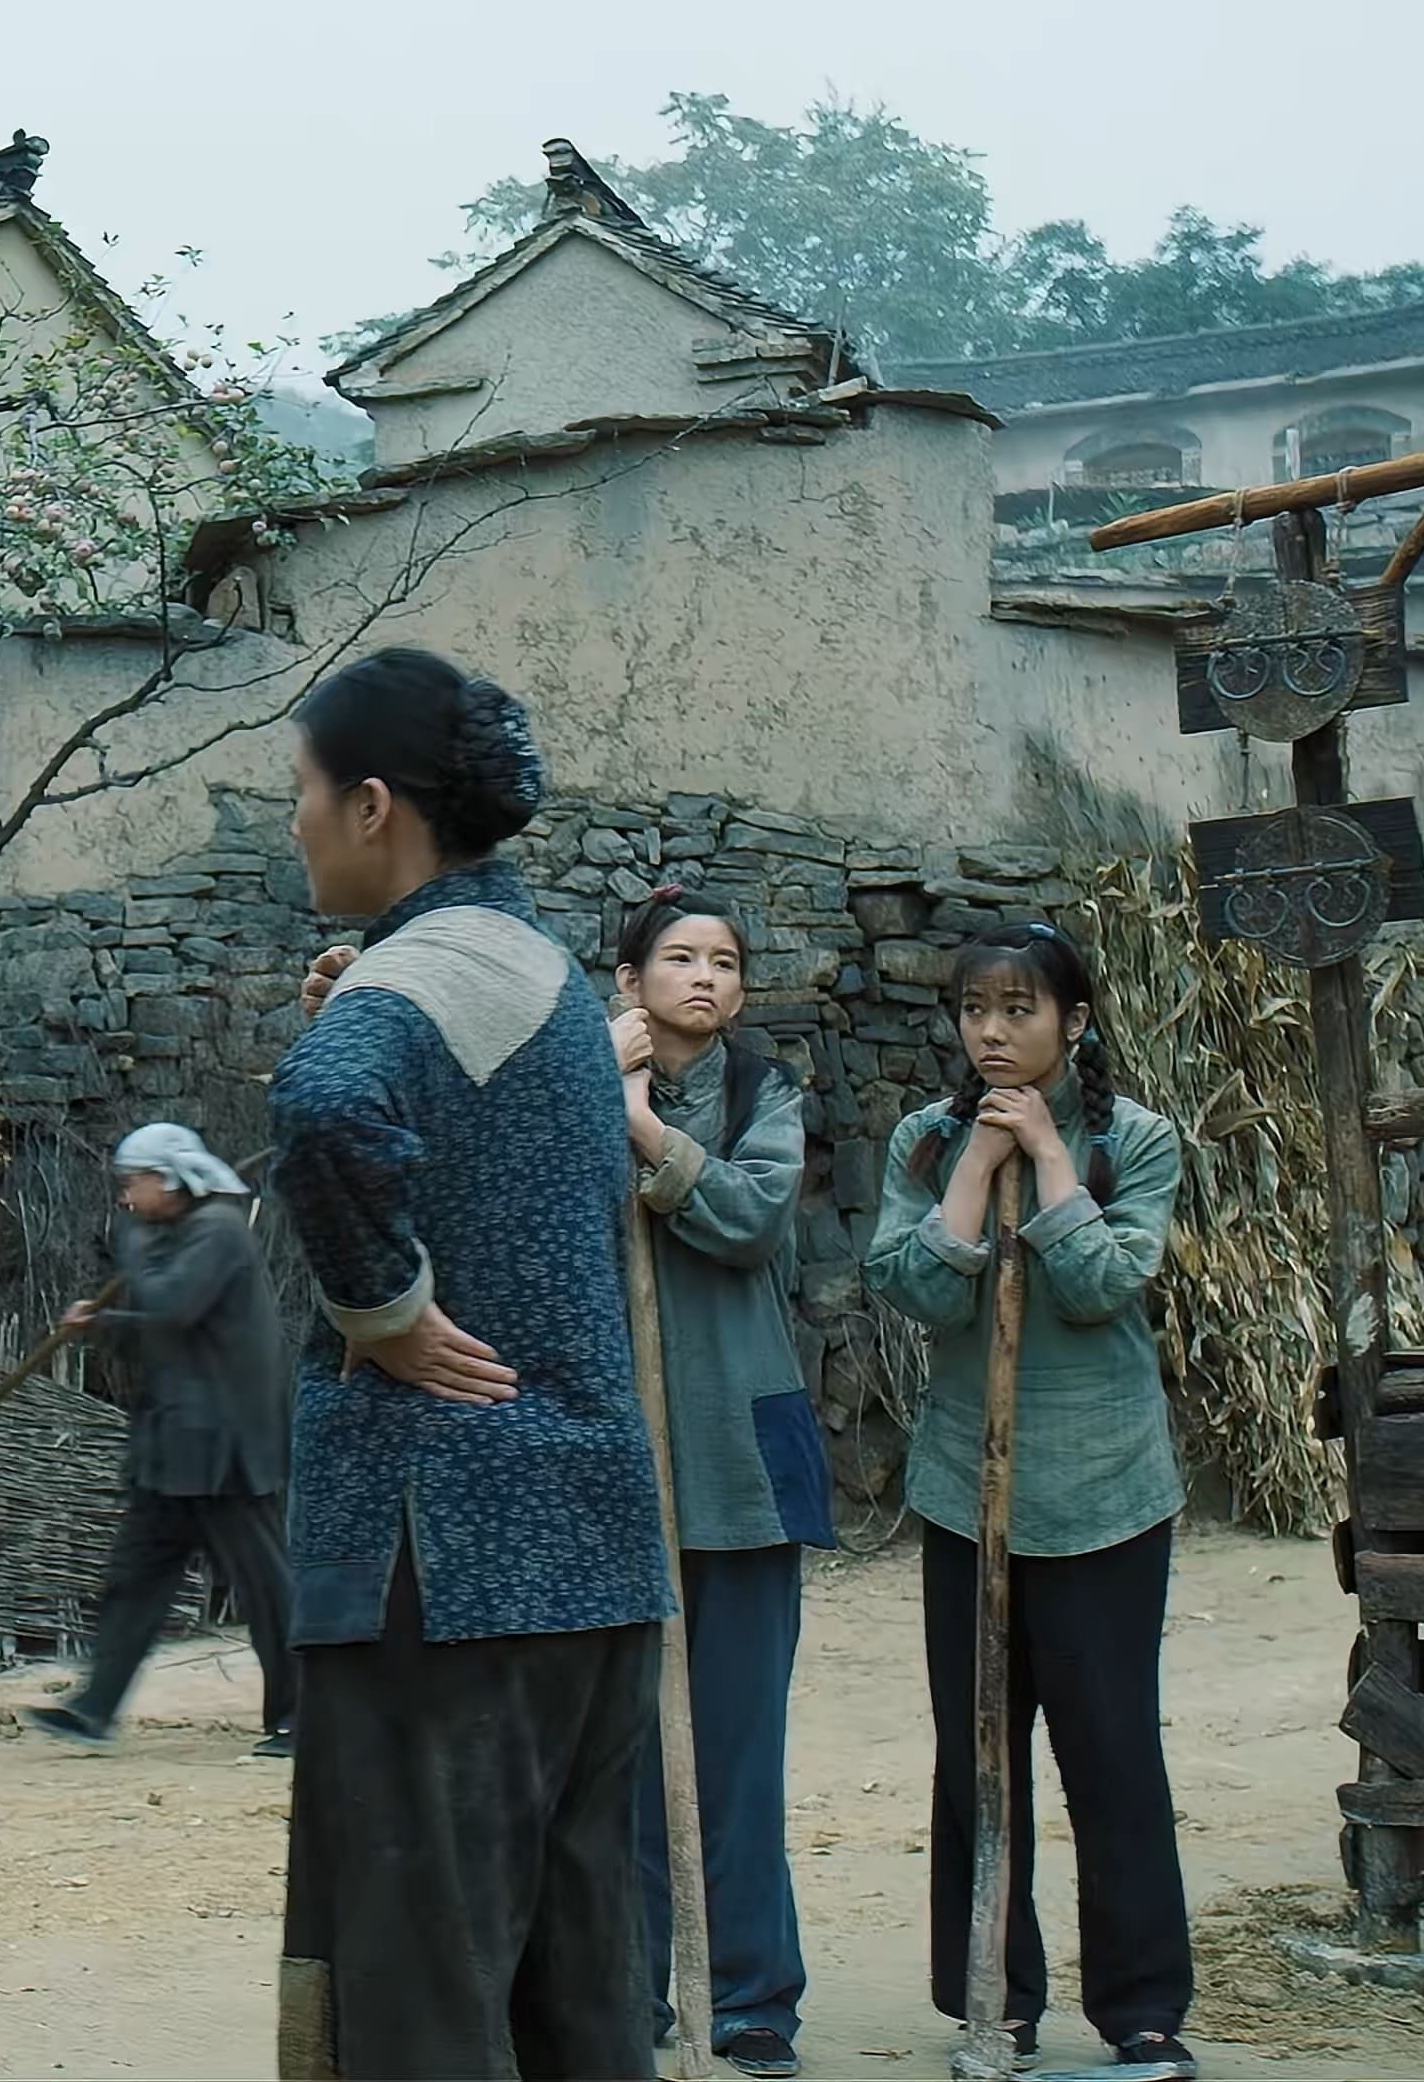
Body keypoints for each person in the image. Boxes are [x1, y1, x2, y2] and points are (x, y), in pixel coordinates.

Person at [264, 646, 676, 2081]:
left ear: (374, 805)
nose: (295, 821)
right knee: (579, 1995)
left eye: (304, 791)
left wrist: (379, 1306)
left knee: (420, 2001)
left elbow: (324, 1108)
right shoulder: (539, 968)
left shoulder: (413, 984)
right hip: (586, 1546)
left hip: (440, 1562)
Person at [863, 920, 1197, 2080]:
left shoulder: (1135, 1140)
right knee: (978, 1756)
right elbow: (916, 1293)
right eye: (975, 1010)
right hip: (970, 1490)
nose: (993, 1032)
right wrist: (974, 1169)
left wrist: (1050, 1159)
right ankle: (992, 2005)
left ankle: (1143, 2013)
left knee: (1112, 1753)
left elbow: (1104, 1285)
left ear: (1075, 1020)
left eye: (1020, 1009)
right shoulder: (925, 1139)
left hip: (1105, 1491)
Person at [607, 884, 824, 2081]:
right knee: (625, 1755)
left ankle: (748, 1998)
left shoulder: (761, 1095)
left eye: (726, 962)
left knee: (739, 1753)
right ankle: (634, 1987)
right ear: (629, 979)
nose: (706, 978)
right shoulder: (572, 1087)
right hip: (620, 1471)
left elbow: (747, 1219)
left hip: (739, 1460)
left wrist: (645, 1131)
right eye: (681, 958)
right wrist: (601, 1099)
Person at [24, 1122, 298, 1757]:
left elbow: (174, 1308)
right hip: (175, 1448)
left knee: (264, 1587)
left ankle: (302, 1715)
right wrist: (102, 1323)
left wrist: (133, 1245)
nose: (125, 1198)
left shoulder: (219, 1232)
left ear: (170, 1180)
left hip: (225, 1448)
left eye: (133, 1184)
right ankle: (95, 1707)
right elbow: (164, 1334)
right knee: (136, 1579)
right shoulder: (177, 1235)